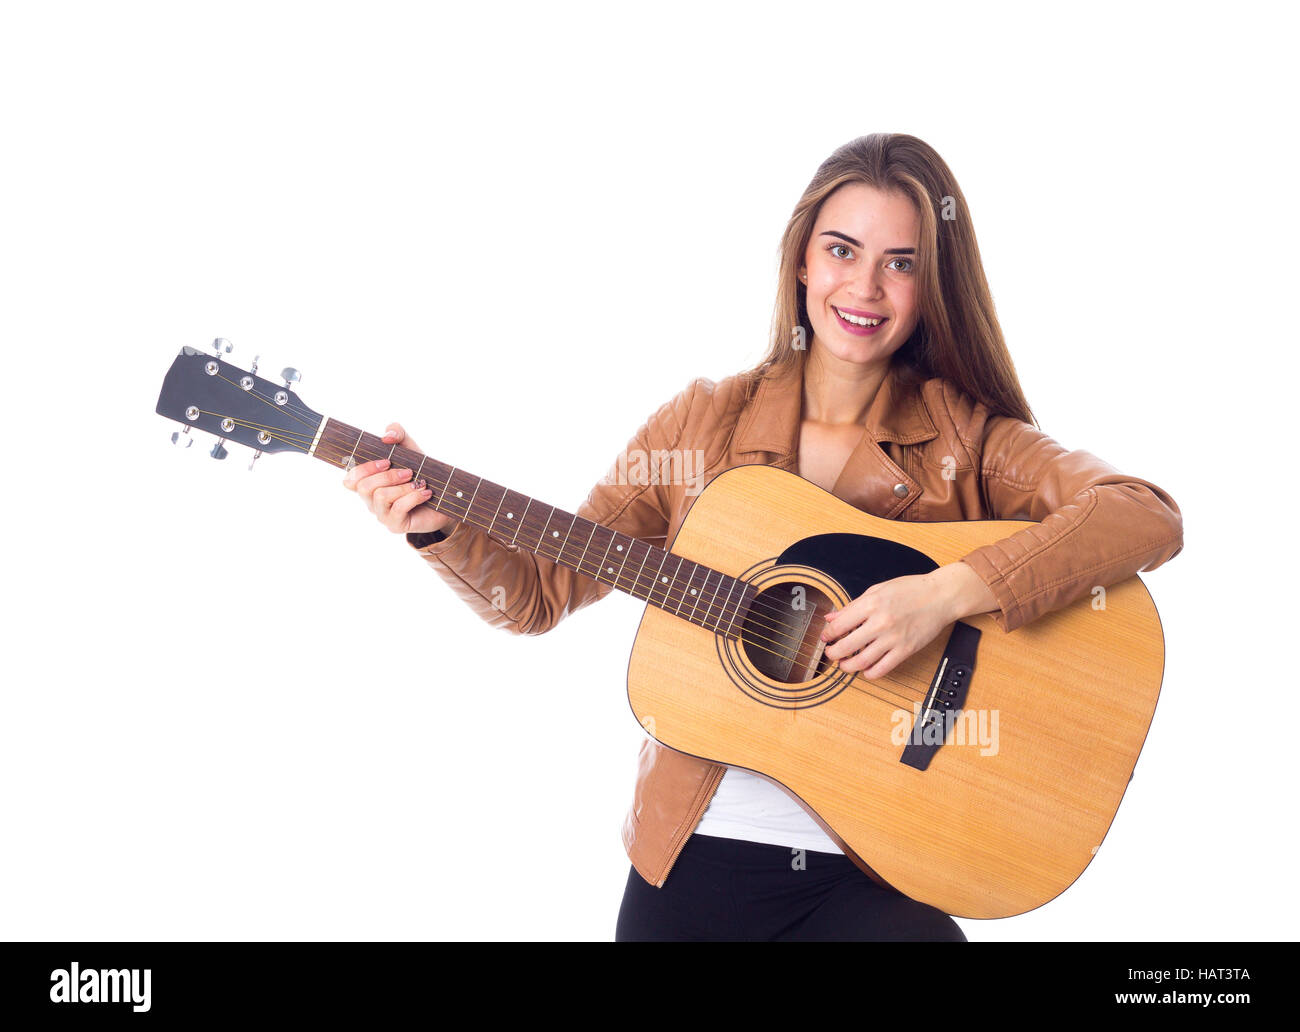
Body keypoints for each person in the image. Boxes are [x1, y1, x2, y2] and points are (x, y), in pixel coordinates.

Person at [341, 133, 1184, 941]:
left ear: (933, 284)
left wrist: (944, 594)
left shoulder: (968, 440)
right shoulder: (701, 425)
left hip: (875, 869)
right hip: (690, 866)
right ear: (802, 259)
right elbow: (536, 595)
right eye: (842, 251)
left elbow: (1142, 512)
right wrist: (438, 529)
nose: (864, 288)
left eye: (901, 263)